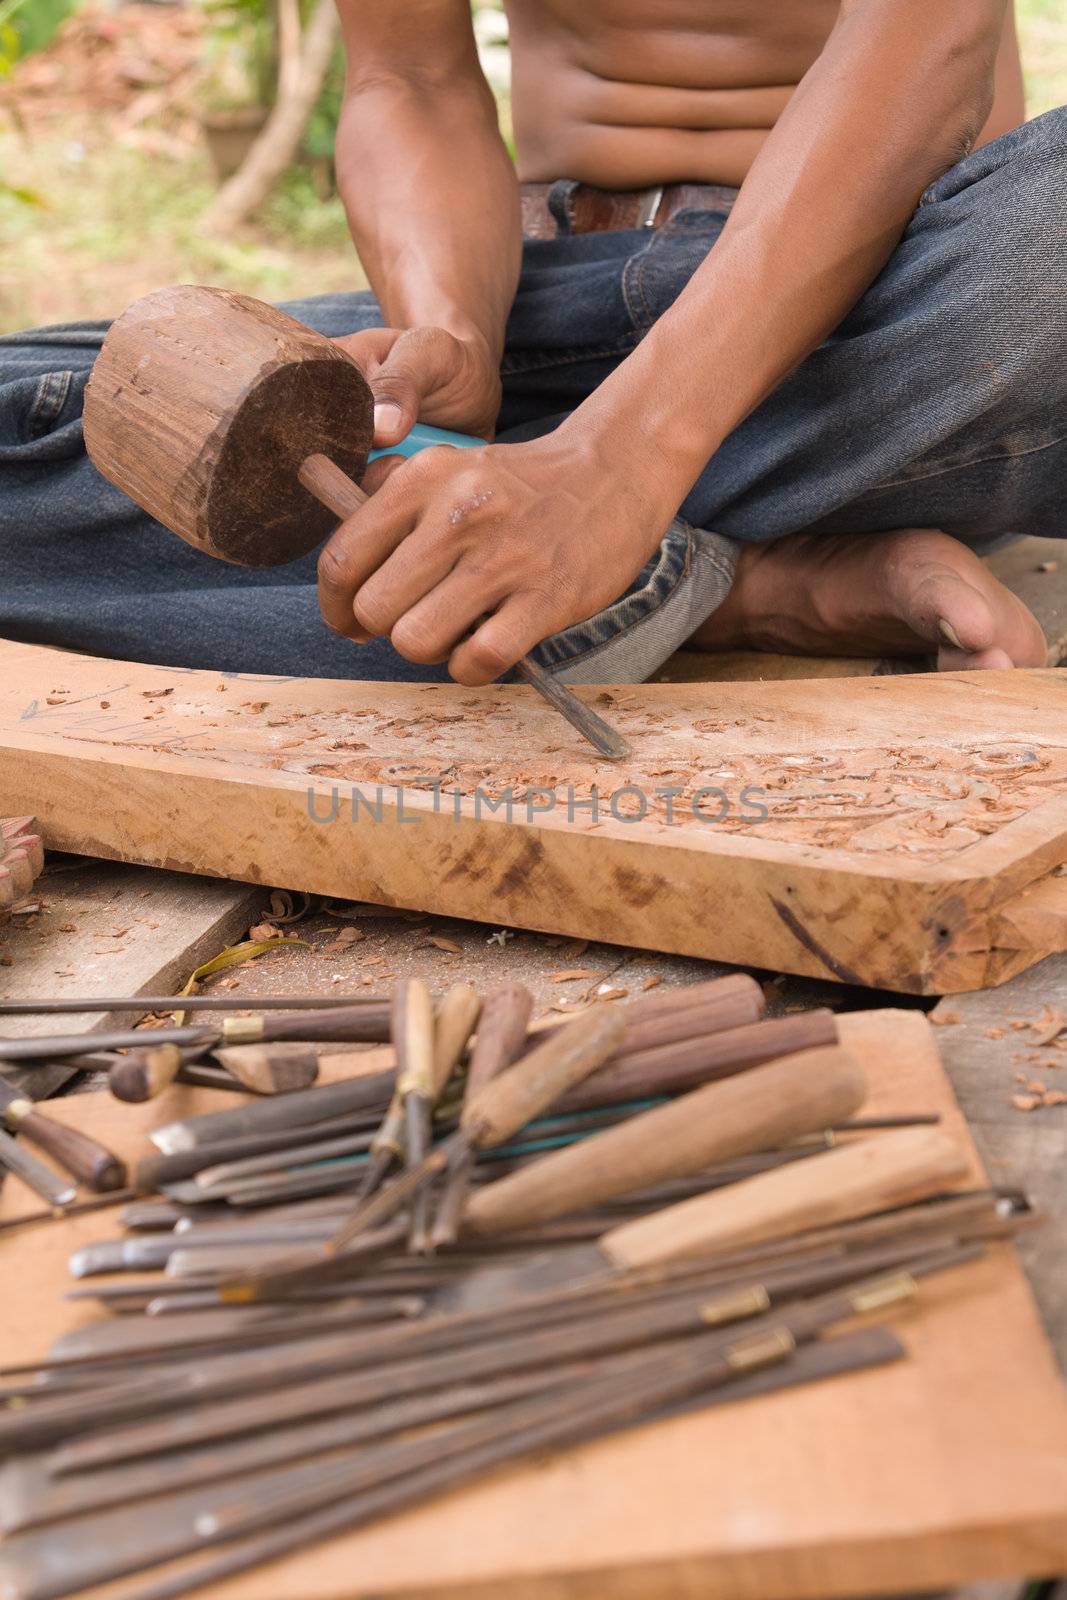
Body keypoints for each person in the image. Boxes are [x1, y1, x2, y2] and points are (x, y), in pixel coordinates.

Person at [1, 0, 1060, 685]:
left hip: (899, 311)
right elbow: (407, 82)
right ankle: (709, 585)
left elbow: (933, 40)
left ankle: (579, 528)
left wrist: (617, 463)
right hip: (551, 300)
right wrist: (450, 325)